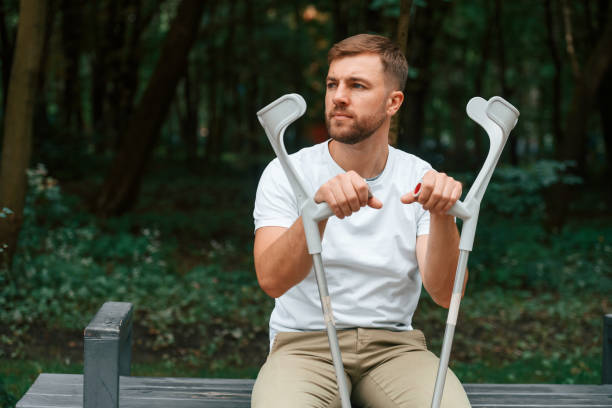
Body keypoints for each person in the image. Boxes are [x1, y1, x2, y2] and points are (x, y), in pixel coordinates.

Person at [251, 33, 471, 408]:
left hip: (394, 350)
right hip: (304, 347)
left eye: (357, 85)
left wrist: (441, 216)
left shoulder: (419, 176)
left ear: (393, 102)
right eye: (332, 84)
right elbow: (272, 281)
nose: (338, 96)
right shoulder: (287, 170)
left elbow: (445, 293)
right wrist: (316, 211)